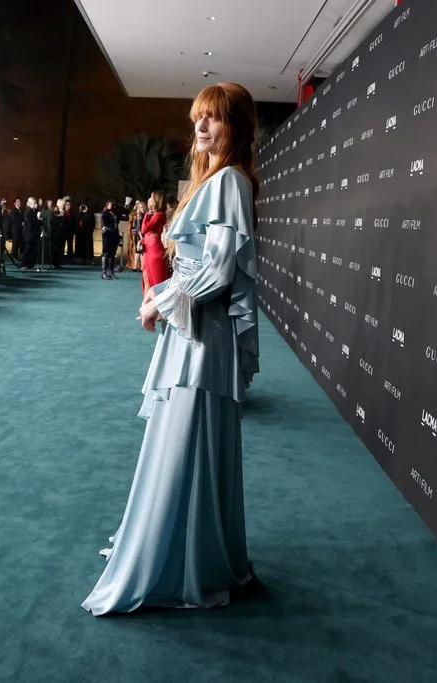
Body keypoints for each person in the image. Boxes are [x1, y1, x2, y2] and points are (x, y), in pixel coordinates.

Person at [82, 82, 262, 616]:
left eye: (213, 119)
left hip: (201, 338)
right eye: (197, 119)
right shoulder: (220, 179)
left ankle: (182, 559)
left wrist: (158, 304)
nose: (201, 128)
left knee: (189, 437)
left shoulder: (230, 180)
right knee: (186, 438)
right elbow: (201, 268)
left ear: (237, 127)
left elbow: (218, 271)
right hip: (194, 332)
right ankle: (191, 552)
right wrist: (162, 301)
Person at [140, 191, 169, 295]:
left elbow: (144, 229)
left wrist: (147, 215)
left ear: (156, 199)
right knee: (146, 276)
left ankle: (155, 308)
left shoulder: (159, 215)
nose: (149, 200)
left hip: (154, 250)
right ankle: (146, 305)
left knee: (156, 282)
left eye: (151, 197)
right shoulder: (155, 214)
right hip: (148, 249)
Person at [99, 200, 120, 280]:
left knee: (112, 253)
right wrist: (105, 209)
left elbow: (123, 217)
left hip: (114, 234)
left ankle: (111, 271)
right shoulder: (105, 213)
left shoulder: (114, 213)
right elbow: (102, 216)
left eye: (112, 204)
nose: (111, 206)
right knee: (106, 253)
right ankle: (104, 272)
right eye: (110, 204)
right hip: (107, 234)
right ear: (107, 205)